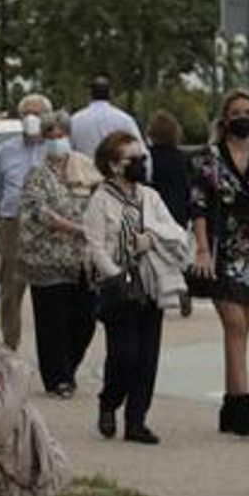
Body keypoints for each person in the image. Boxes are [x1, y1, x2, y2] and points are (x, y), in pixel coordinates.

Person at [189, 89, 249, 436]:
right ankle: (244, 406)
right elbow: (198, 205)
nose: (242, 117)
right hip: (222, 251)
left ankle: (231, 407)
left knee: (242, 332)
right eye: (236, 112)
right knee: (234, 327)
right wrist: (201, 249)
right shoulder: (209, 158)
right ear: (225, 119)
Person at [86, 131, 192, 445]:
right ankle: (109, 401)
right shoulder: (100, 200)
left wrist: (151, 237)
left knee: (147, 357)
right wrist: (116, 275)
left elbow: (173, 231)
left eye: (142, 158)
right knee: (124, 355)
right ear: (114, 165)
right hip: (118, 287)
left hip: (151, 284)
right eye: (134, 159)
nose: (141, 164)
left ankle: (137, 421)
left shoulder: (150, 196)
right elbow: (95, 246)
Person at [18, 111, 99, 397]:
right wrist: (77, 228)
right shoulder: (37, 175)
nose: (56, 141)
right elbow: (40, 213)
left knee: (85, 320)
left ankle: (69, 367)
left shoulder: (85, 169)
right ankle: (58, 378)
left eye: (61, 135)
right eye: (50, 136)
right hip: (47, 261)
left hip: (81, 261)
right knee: (53, 323)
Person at [0, 93, 53, 350]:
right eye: (26, 114)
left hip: (47, 225)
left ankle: (54, 357)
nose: (31, 119)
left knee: (49, 292)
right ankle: (9, 346)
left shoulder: (55, 148)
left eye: (37, 114)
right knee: (10, 290)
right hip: (13, 222)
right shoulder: (6, 150)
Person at [70, 75, 145, 165]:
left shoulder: (75, 120)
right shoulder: (125, 120)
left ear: (90, 93)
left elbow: (69, 152)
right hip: (116, 173)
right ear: (111, 93)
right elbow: (140, 151)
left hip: (84, 175)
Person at [146, 110, 191, 228]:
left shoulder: (146, 157)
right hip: (177, 216)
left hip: (153, 216)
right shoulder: (182, 158)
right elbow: (188, 189)